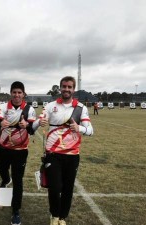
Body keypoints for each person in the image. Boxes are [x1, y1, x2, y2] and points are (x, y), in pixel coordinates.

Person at [35, 76, 93, 225]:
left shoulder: (81, 108)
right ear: (60, 88)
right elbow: (39, 120)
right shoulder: (50, 105)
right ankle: (54, 215)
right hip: (53, 154)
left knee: (67, 189)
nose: (66, 89)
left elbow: (90, 130)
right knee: (54, 187)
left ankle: (62, 217)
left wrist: (78, 128)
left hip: (72, 155)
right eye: (64, 86)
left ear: (73, 89)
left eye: (69, 87)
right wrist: (39, 121)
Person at [0, 81, 36, 225]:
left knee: (18, 180)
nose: (17, 95)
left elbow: (32, 130)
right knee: (2, 170)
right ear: (11, 93)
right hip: (4, 149)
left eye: (19, 92)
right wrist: (0, 124)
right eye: (14, 92)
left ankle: (15, 211)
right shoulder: (4, 106)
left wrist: (27, 125)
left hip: (20, 151)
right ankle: (5, 180)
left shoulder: (29, 109)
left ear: (23, 94)